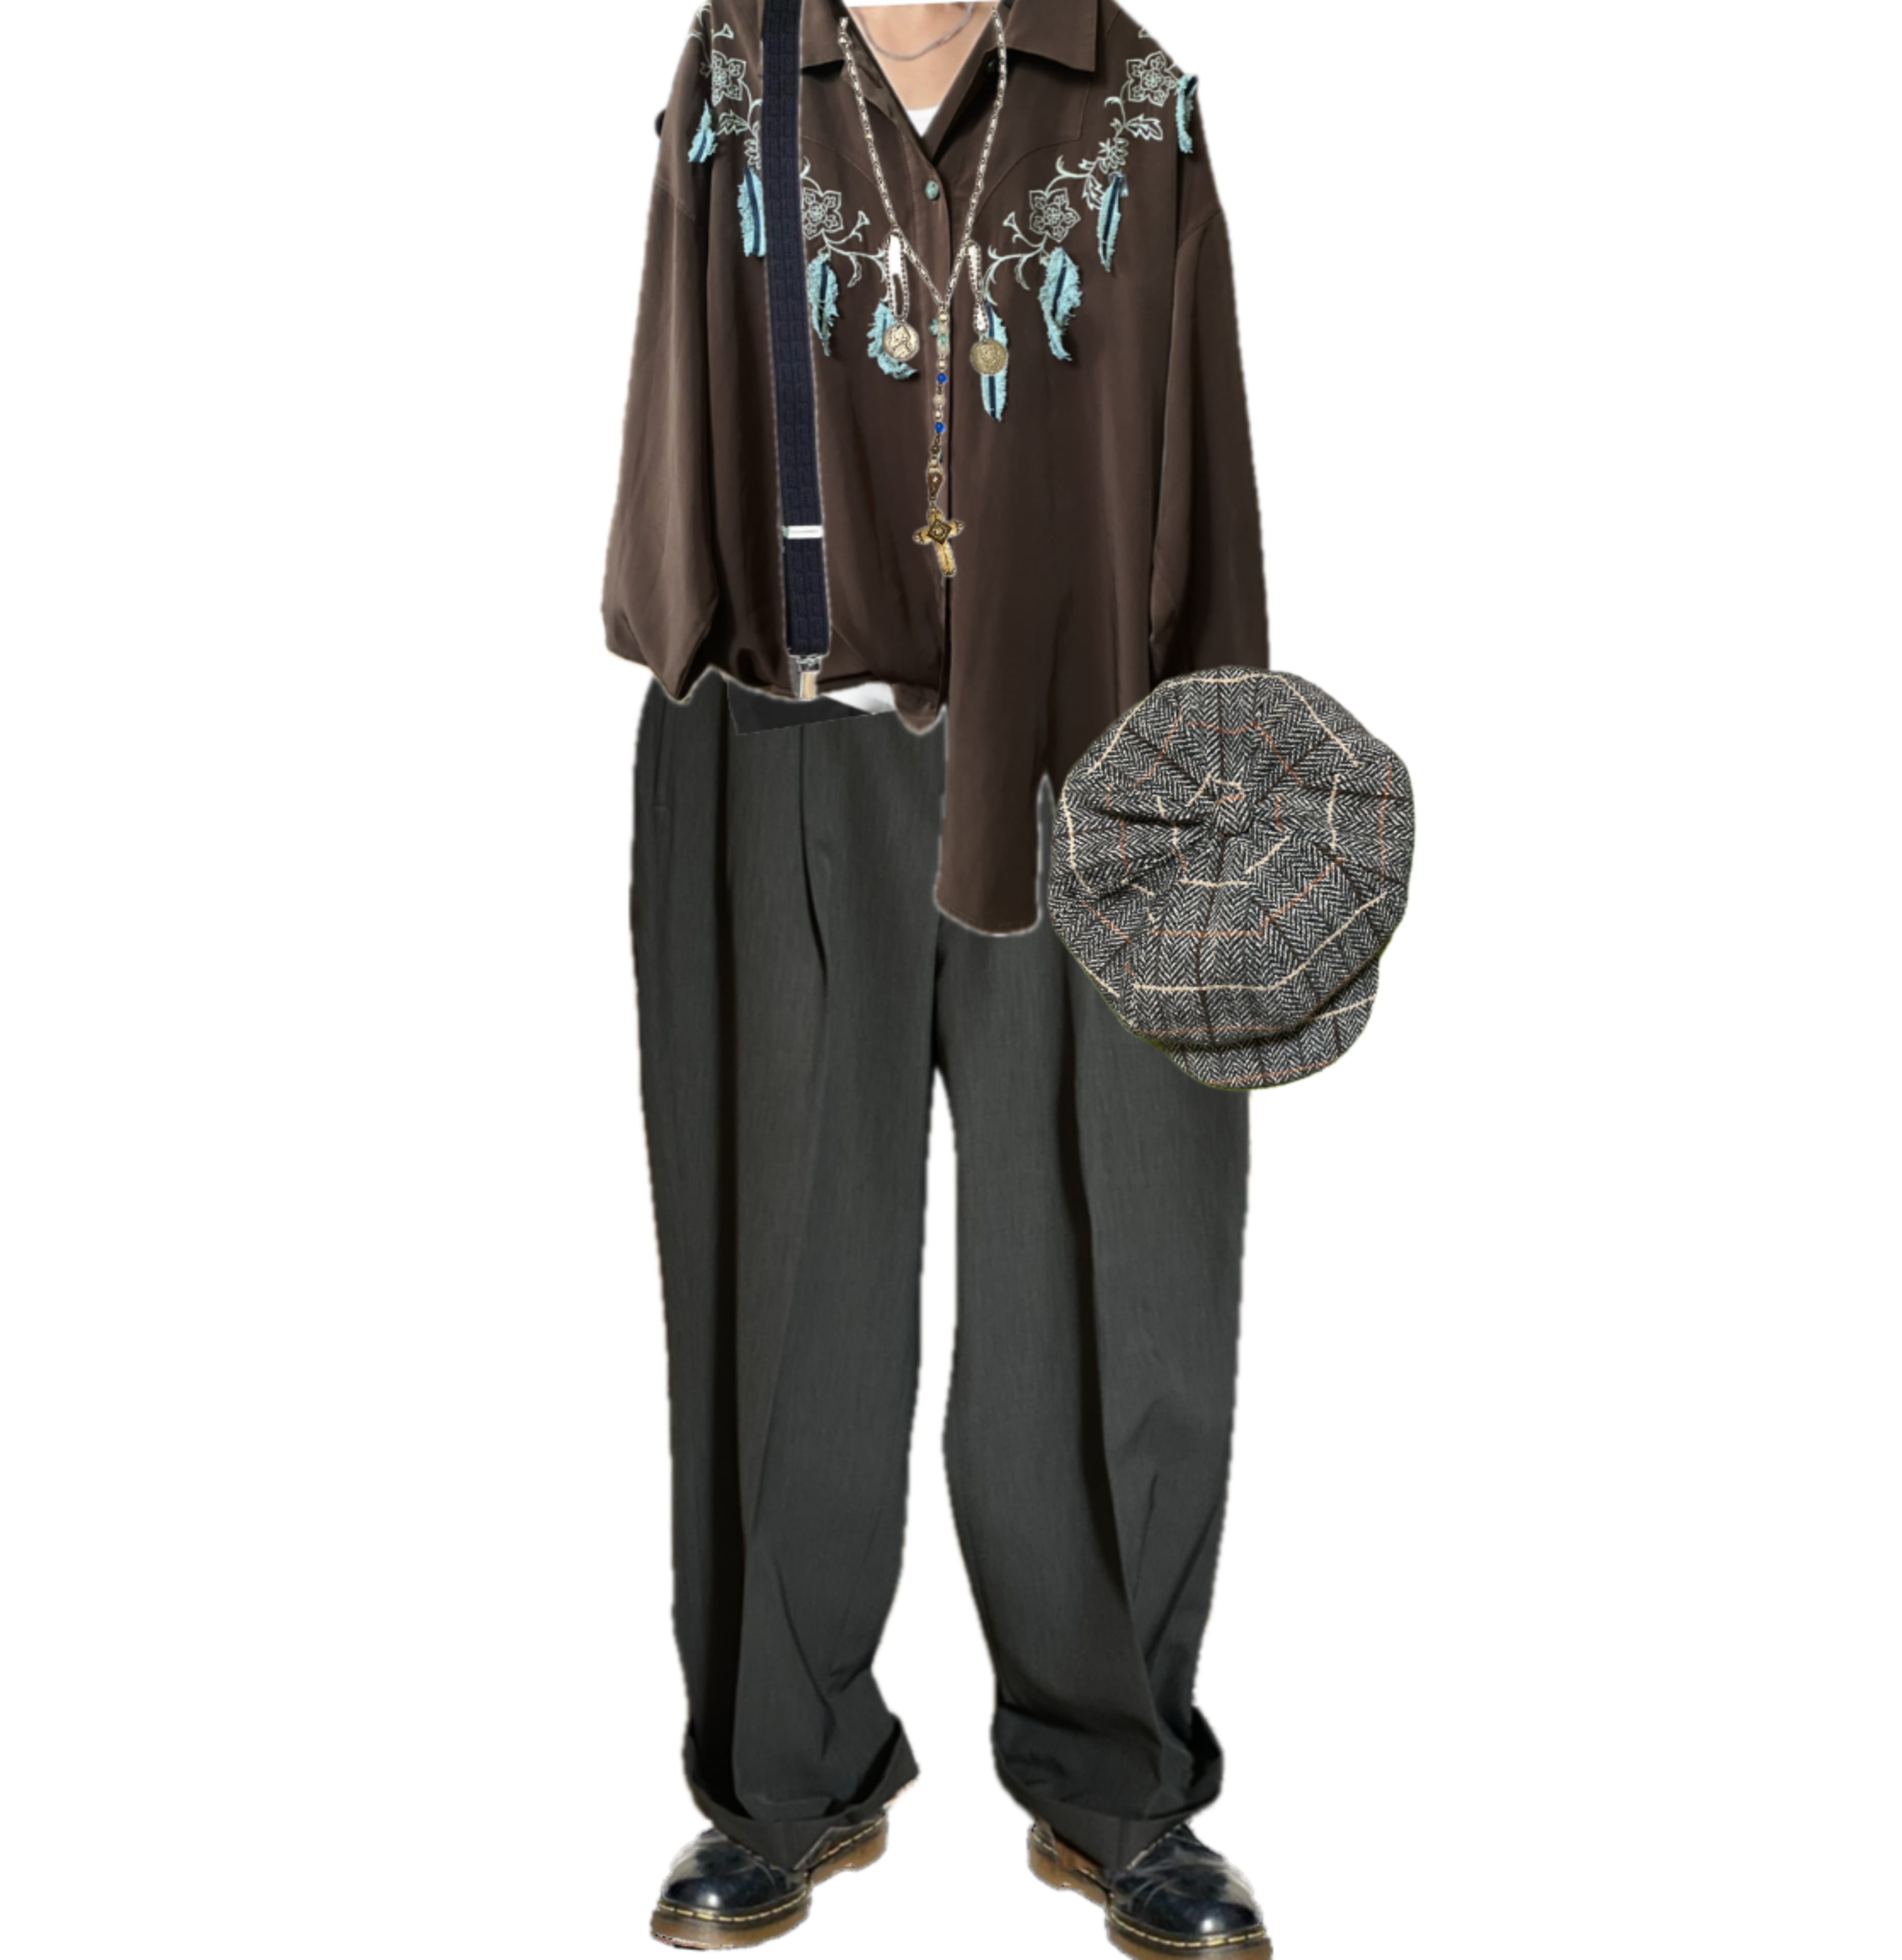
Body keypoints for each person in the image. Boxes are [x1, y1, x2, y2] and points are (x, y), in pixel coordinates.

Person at [604, 4, 1274, 1952]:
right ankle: (782, 1775)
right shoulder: (744, 69)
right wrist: (700, 669)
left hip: (1092, 756)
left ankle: (1118, 1783)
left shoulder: (1130, 97)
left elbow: (1202, 460)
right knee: (781, 1266)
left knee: (1117, 1268)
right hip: (791, 739)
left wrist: (1213, 760)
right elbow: (680, 410)